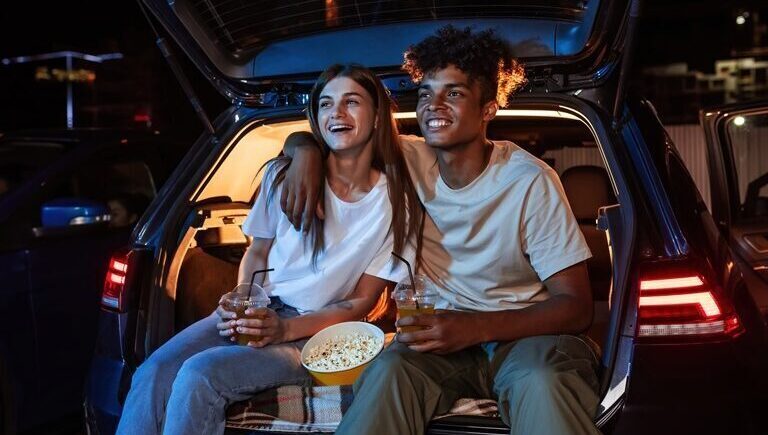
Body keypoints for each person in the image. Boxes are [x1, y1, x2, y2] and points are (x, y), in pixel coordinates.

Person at [281, 26, 601, 435]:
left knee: (543, 382)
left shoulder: (529, 181)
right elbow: (332, 135)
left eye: (453, 93)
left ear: (489, 108)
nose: (433, 105)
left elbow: (576, 306)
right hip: (437, 341)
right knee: (387, 372)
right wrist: (303, 151)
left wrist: (476, 327)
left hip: (524, 338)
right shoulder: (407, 157)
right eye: (426, 93)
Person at [115, 63, 421, 435]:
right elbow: (257, 254)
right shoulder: (281, 175)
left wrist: (285, 329)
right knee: (153, 372)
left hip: (318, 330)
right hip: (262, 308)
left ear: (376, 117)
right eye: (325, 104)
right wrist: (243, 298)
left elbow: (361, 303)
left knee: (199, 375)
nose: (336, 113)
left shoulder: (395, 202)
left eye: (351, 102)